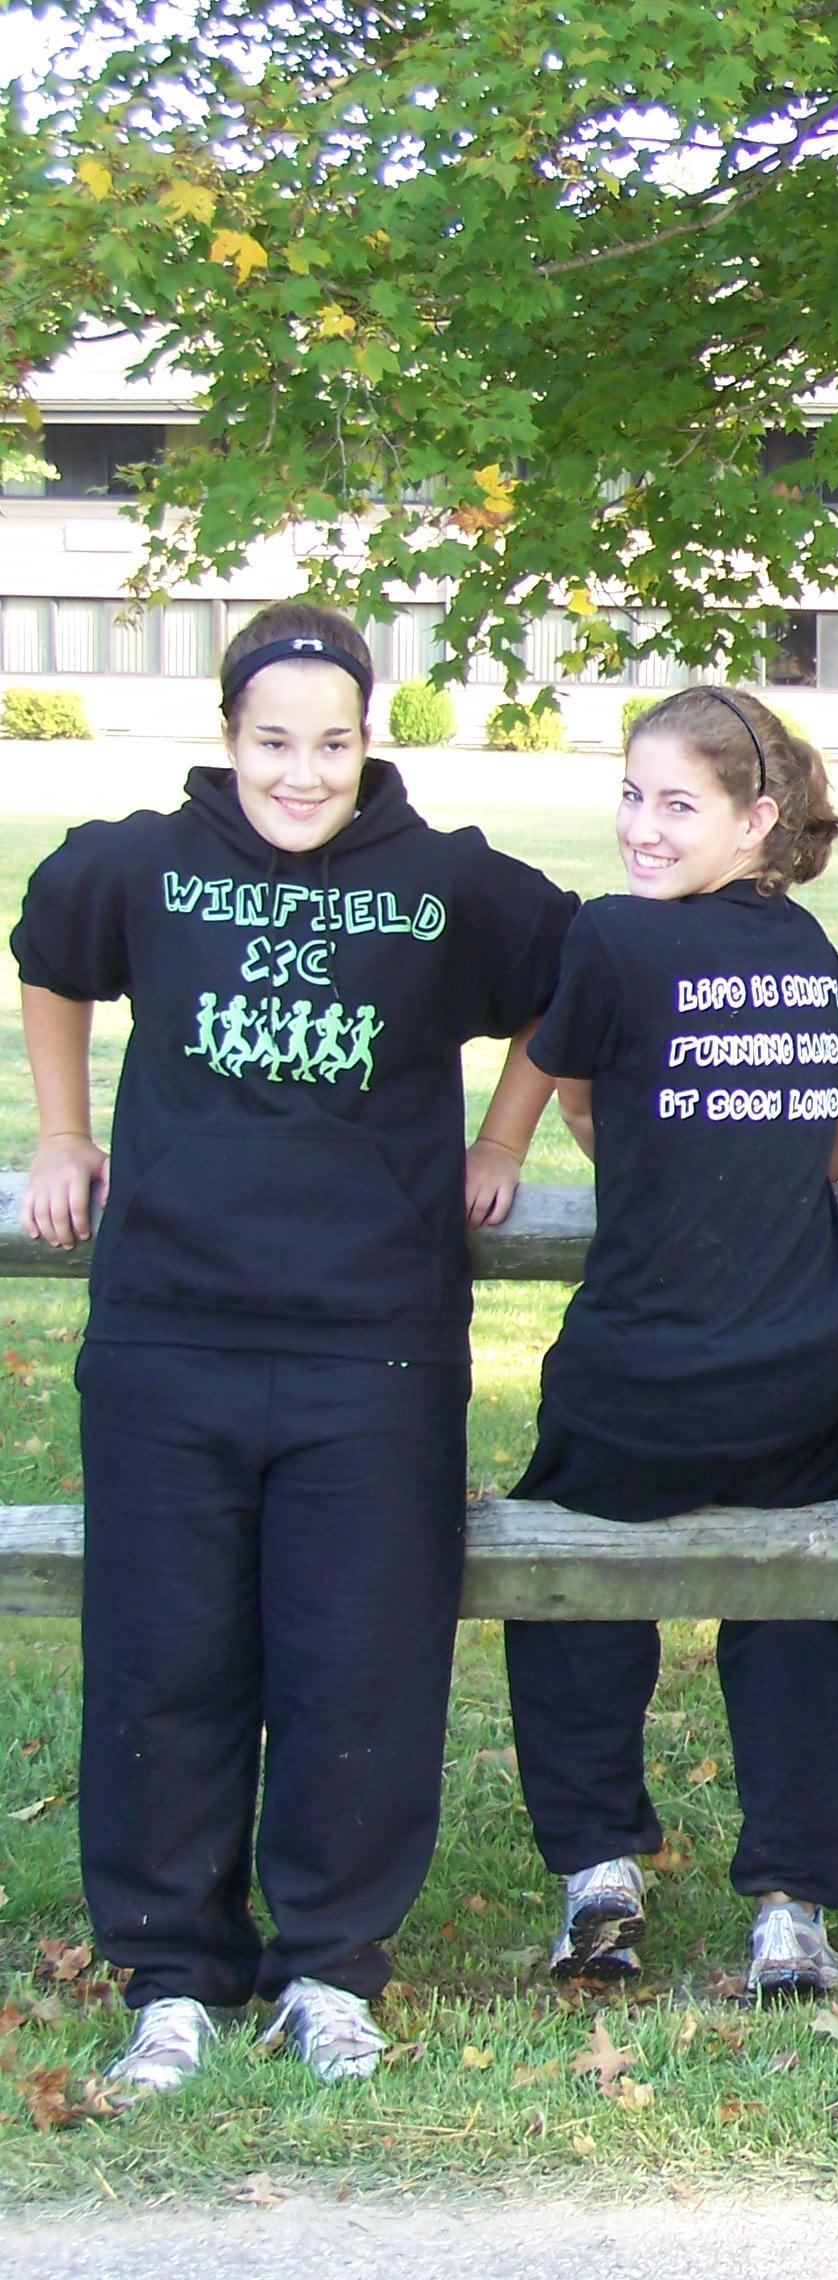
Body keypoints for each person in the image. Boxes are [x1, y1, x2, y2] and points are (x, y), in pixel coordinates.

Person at [12, 603, 574, 2095]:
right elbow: (50, 950)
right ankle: (171, 1976)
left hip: (374, 1348)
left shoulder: (443, 879)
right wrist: (61, 1131)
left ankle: (328, 1968)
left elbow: (569, 975)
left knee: (358, 1667)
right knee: (165, 1663)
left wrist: (499, 1139)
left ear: (367, 740)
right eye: (274, 742)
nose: (303, 773)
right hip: (169, 1336)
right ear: (229, 736)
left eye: (332, 743)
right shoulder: (145, 863)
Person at [475, 688, 838, 2003]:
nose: (640, 827)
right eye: (631, 796)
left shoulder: (610, 936)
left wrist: (518, 1145)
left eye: (675, 804)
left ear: (755, 819)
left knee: (562, 1574)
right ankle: (792, 1904)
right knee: (814, 1608)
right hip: (805, 1362)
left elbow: (577, 1091)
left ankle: (600, 1866)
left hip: (640, 1374)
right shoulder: (810, 948)